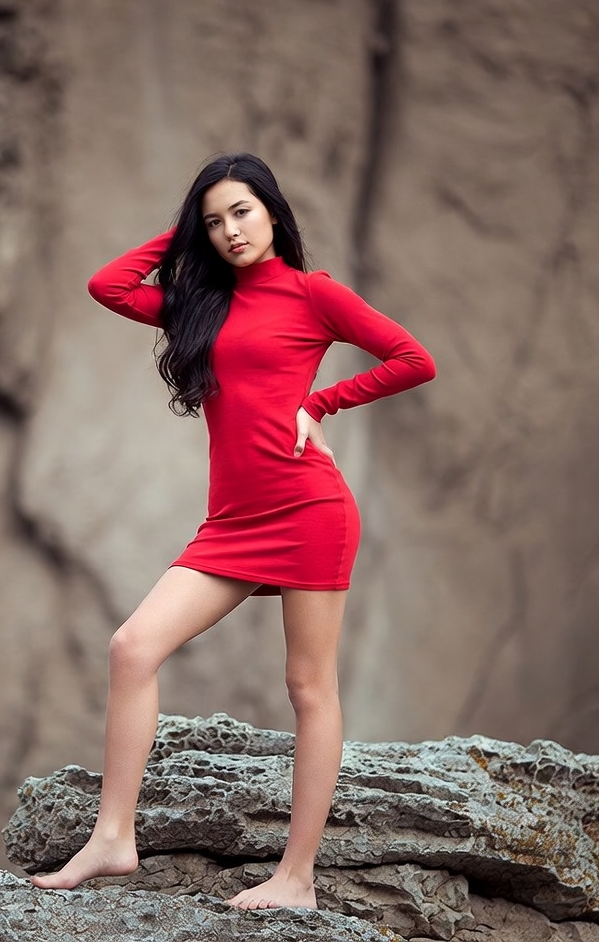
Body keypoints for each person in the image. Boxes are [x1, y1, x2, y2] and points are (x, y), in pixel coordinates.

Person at [31, 153, 435, 909]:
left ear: (274, 213)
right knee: (132, 648)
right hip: (232, 523)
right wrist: (181, 236)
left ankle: (296, 878)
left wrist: (323, 404)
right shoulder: (197, 304)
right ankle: (114, 838)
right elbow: (108, 287)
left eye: (241, 212)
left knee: (308, 685)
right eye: (214, 221)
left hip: (309, 508)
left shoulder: (314, 295)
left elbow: (414, 359)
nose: (229, 231)